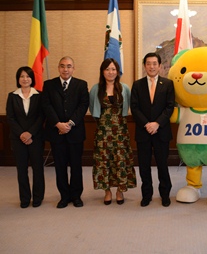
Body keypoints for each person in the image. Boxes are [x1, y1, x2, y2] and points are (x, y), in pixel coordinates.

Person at [42, 56, 89, 208]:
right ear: (58, 68)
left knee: (76, 166)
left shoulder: (81, 85)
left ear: (73, 69)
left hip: (75, 132)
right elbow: (47, 106)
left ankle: (76, 196)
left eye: (69, 66)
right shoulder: (49, 85)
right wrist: (58, 124)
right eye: (62, 66)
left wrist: (69, 124)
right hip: (57, 133)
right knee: (60, 167)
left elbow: (83, 106)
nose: (65, 69)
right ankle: (64, 196)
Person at [89, 58, 136, 205]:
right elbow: (92, 108)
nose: (111, 72)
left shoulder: (125, 88)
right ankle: (107, 191)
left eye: (113, 69)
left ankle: (120, 190)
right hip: (103, 131)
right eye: (107, 69)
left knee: (120, 160)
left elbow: (129, 108)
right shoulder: (96, 89)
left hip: (120, 131)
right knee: (104, 161)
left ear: (117, 71)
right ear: (102, 71)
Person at [131, 52, 175, 207]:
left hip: (161, 131)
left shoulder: (168, 84)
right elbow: (134, 108)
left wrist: (157, 123)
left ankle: (165, 194)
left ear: (160, 66)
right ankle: (146, 195)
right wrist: (147, 124)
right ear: (144, 66)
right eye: (148, 63)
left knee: (162, 164)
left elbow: (170, 107)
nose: (151, 66)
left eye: (154, 63)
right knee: (144, 165)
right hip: (143, 132)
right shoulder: (137, 85)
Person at [6, 66, 45, 208]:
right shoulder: (12, 96)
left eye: (28, 76)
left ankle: (38, 197)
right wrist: (22, 133)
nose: (25, 79)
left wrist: (30, 133)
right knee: (21, 169)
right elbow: (10, 118)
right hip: (18, 139)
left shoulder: (39, 95)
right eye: (22, 76)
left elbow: (41, 116)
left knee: (37, 168)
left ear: (32, 79)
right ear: (18, 79)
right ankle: (24, 198)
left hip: (36, 137)